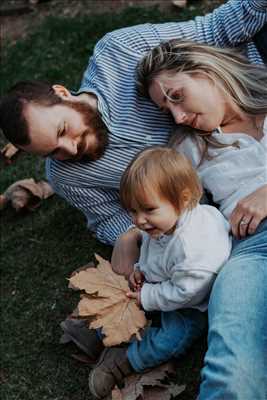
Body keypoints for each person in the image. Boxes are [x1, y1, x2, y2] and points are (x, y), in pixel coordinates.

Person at [0, 0, 266, 257]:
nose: (71, 148)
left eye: (62, 131)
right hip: (226, 189)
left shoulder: (118, 51)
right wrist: (130, 236)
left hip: (249, 89)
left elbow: (213, 30)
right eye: (53, 151)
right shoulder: (66, 177)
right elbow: (108, 219)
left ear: (62, 93)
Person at [135, 39, 267, 399]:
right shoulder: (188, 149)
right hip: (251, 250)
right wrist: (130, 241)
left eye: (177, 96)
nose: (177, 116)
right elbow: (166, 212)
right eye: (167, 109)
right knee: (233, 370)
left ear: (206, 71)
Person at [88, 146, 232, 399]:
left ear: (184, 199)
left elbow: (185, 292)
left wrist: (148, 296)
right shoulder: (162, 223)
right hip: (166, 282)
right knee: (131, 299)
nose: (139, 220)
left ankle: (128, 358)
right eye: (133, 211)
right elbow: (152, 249)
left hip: (194, 303)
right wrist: (140, 270)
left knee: (173, 338)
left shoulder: (193, 249)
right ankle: (109, 328)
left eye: (148, 210)